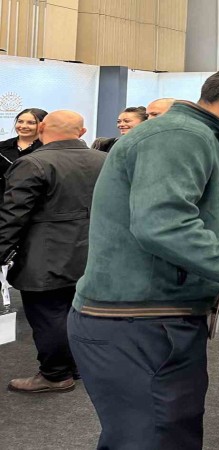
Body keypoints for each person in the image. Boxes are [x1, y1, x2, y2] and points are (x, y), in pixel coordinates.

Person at [67, 64, 219, 450]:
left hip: (160, 314)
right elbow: (163, 225)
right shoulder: (178, 136)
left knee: (165, 430)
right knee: (151, 437)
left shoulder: (208, 138)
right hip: (135, 320)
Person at [0, 111, 106, 393]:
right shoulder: (105, 160)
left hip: (45, 255)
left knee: (48, 315)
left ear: (42, 127)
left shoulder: (33, 163)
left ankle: (55, 374)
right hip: (94, 251)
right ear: (82, 132)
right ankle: (75, 366)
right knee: (77, 311)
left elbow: (12, 216)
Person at [0, 108, 47, 195]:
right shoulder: (2, 147)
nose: (23, 126)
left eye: (31, 123)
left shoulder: (48, 149)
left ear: (42, 125)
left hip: (37, 202)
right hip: (4, 202)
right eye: (20, 121)